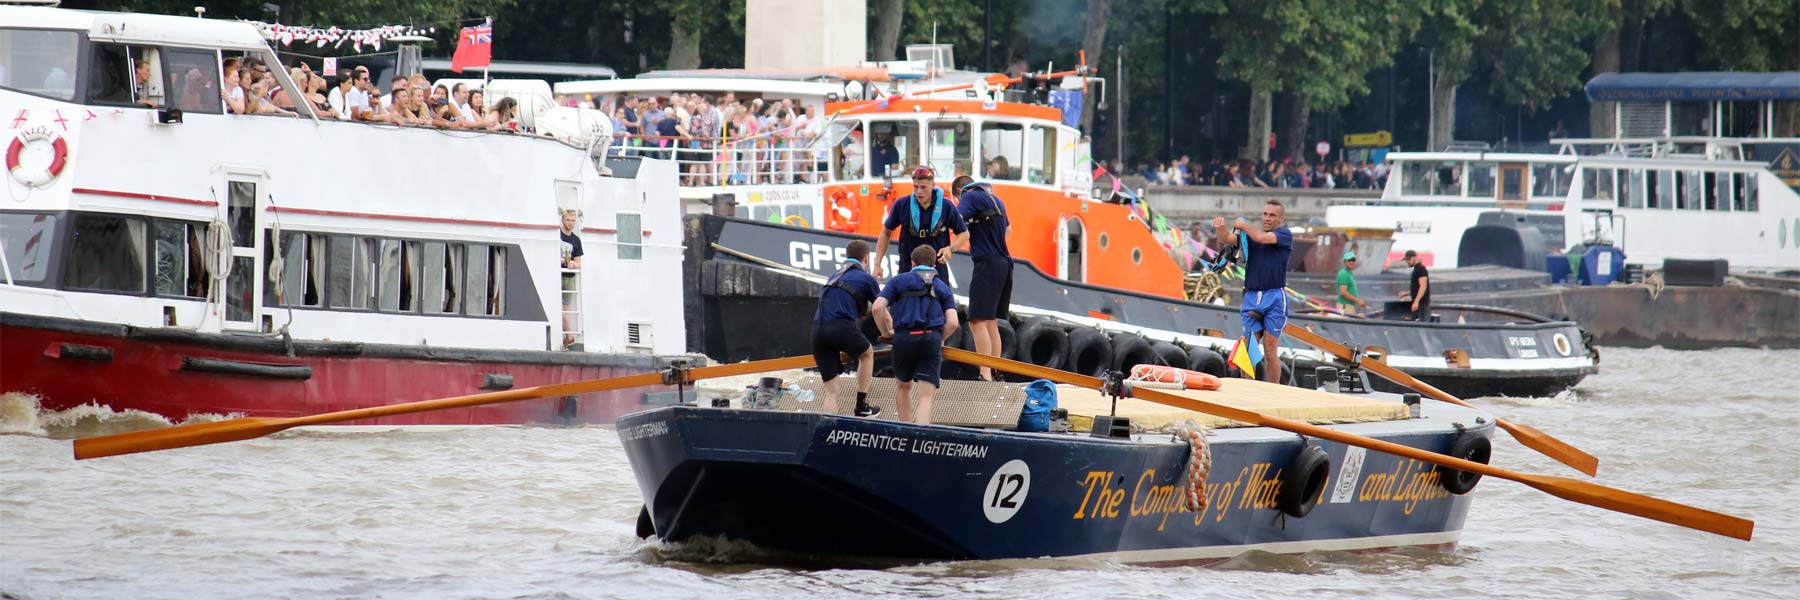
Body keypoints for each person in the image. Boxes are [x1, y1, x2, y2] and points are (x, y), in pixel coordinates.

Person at [872, 245, 960, 425]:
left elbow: (877, 307)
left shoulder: (898, 281)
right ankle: (920, 434)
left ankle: (905, 430)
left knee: (903, 387)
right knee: (925, 397)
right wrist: (939, 339)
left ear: (912, 263)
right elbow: (953, 322)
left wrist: (886, 332)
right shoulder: (941, 286)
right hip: (931, 338)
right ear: (934, 264)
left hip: (904, 337)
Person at [1213, 200, 1292, 384]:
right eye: (1265, 214)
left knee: (1270, 350)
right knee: (1247, 347)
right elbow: (1228, 239)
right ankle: (1247, 389)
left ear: (1281, 218)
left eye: (1272, 215)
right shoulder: (1251, 237)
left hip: (1274, 298)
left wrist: (1243, 225)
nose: (1267, 218)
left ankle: (1274, 390)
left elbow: (1262, 238)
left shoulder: (1284, 235)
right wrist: (1220, 227)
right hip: (1251, 296)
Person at [811, 240, 882, 417]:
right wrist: (888, 332)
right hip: (839, 327)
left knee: (831, 392)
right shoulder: (867, 279)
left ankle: (828, 430)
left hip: (817, 330)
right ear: (866, 258)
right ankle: (861, 406)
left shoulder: (834, 275)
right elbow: (880, 308)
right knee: (866, 354)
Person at [952, 175, 1011, 381]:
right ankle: (996, 372)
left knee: (977, 322)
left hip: (986, 263)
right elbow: (1008, 230)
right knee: (991, 322)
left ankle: (984, 374)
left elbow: (956, 220)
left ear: (958, 193)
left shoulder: (969, 195)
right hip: (1004, 263)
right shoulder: (997, 199)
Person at [873, 166, 968, 282]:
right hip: (908, 268)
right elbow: (886, 232)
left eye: (923, 187)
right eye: (916, 187)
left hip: (937, 270)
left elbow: (964, 234)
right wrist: (877, 264)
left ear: (933, 185)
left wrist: (950, 249)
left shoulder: (946, 206)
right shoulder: (902, 204)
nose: (919, 192)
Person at [559, 210, 584, 348]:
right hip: (557, 275)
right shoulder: (557, 235)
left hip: (569, 277)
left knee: (563, 308)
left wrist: (574, 264)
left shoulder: (576, 240)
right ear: (563, 219)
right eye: (568, 220)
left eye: (573, 220)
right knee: (559, 308)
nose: (571, 223)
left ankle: (569, 336)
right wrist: (562, 260)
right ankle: (569, 335)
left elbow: (579, 262)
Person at [1399, 250, 1431, 321]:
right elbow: (1417, 288)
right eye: (1407, 260)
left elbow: (1423, 286)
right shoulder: (1416, 269)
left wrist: (1416, 301)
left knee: (1423, 324)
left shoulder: (1421, 269)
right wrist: (1406, 293)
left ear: (1415, 258)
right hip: (1418, 303)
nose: (1408, 262)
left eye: (1409, 259)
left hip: (1422, 304)